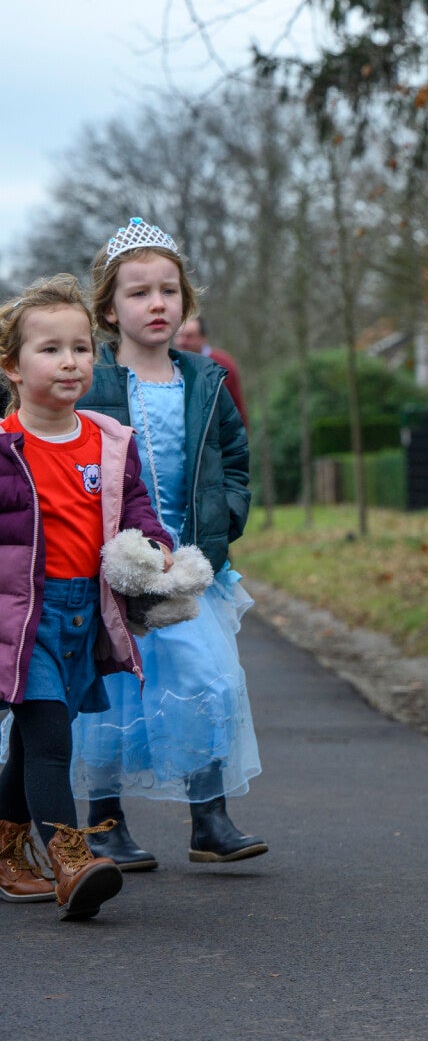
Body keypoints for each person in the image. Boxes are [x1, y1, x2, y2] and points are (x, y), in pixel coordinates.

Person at [70, 218, 265, 868]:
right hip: (115, 563)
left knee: (211, 682)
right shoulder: (92, 382)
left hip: (189, 562)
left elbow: (234, 461)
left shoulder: (204, 381)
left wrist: (222, 520)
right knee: (112, 696)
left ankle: (208, 818)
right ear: (108, 308)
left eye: (168, 291)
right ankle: (104, 823)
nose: (156, 304)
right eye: (138, 292)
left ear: (186, 301)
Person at [0, 274, 173, 920]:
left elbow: (136, 512)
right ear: (12, 366)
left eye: (81, 347)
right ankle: (71, 860)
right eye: (50, 349)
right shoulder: (3, 448)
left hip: (85, 616)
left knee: (33, 742)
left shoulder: (109, 439)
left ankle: (7, 850)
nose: (70, 361)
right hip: (21, 619)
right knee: (48, 737)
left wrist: (155, 547)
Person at [175, 316, 247, 426]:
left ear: (203, 338)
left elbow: (237, 407)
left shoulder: (223, 364)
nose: (182, 342)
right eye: (179, 336)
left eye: (189, 336)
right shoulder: (170, 366)